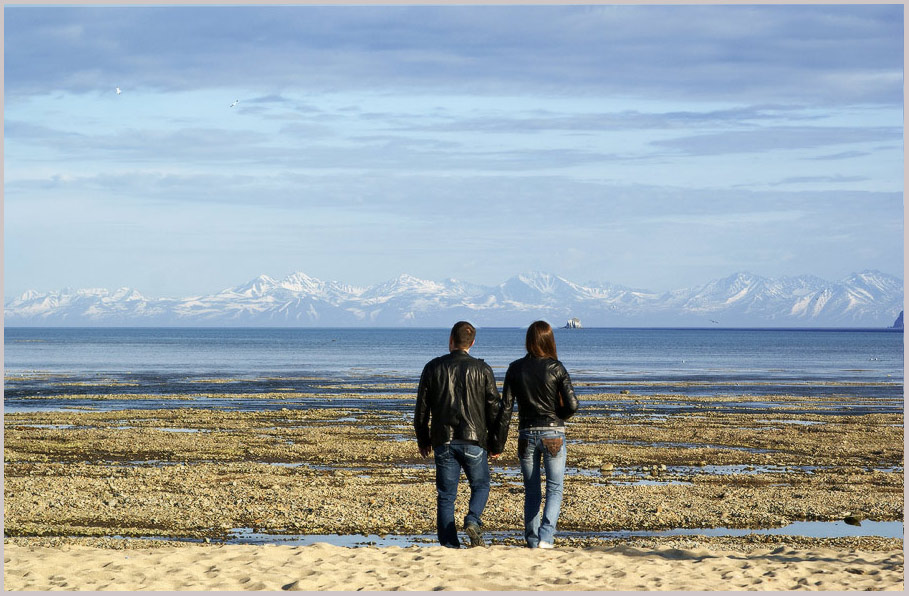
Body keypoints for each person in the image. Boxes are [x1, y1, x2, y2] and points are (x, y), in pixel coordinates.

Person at [414, 321, 508, 548]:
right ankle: (472, 519)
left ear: (450, 340)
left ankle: (449, 544)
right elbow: (495, 409)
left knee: (446, 495)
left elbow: (421, 408)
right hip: (474, 439)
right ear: (472, 343)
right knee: (481, 485)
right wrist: (497, 444)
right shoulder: (482, 369)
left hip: (443, 440)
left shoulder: (433, 367)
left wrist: (423, 439)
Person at [500, 320, 579, 549]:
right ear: (549, 340)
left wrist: (498, 442)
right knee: (555, 487)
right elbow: (572, 404)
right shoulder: (556, 367)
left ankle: (533, 539)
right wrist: (558, 415)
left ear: (528, 340)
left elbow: (505, 408)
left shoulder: (515, 368)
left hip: (526, 434)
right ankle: (546, 536)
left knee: (532, 489)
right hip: (554, 432)